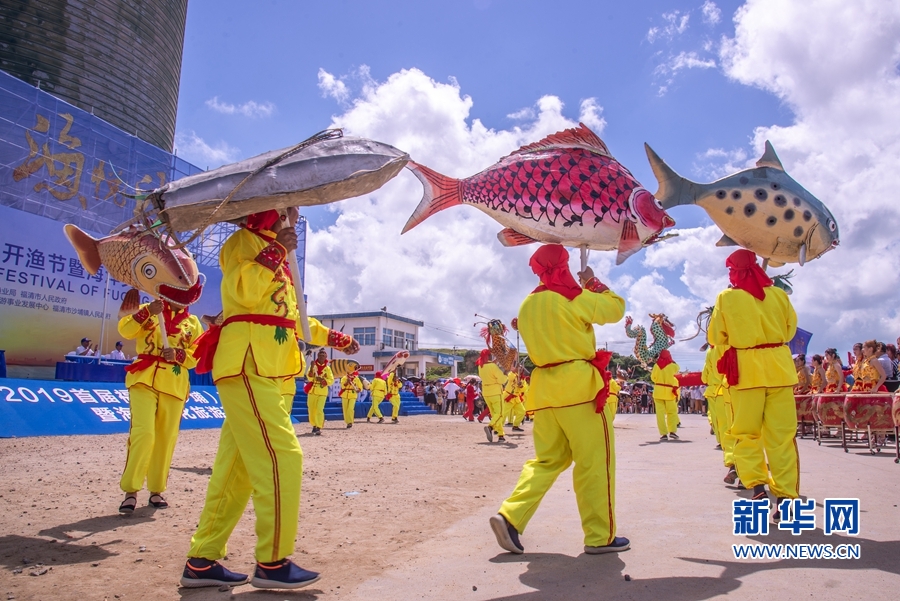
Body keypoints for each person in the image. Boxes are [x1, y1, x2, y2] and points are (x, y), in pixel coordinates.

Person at [182, 208, 358, 589]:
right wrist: (276, 251)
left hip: (272, 366)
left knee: (237, 469)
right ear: (267, 210)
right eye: (287, 208)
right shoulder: (241, 244)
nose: (294, 214)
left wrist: (335, 338)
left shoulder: (280, 251)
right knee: (283, 455)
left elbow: (289, 314)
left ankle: (202, 559)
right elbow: (244, 293)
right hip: (249, 361)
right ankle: (272, 562)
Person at [490, 244, 629, 556]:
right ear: (565, 264)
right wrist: (592, 282)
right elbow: (616, 309)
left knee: (548, 460)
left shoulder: (527, 305)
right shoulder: (574, 297)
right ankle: (599, 536)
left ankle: (510, 516)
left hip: (544, 391)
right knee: (595, 463)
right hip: (579, 389)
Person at [708, 249, 798, 512]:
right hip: (780, 370)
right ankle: (785, 496)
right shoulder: (779, 295)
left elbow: (716, 336)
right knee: (782, 436)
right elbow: (790, 329)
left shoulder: (726, 297)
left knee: (746, 434)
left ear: (733, 272)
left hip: (746, 374)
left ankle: (757, 486)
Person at [117, 296, 204, 513]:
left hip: (174, 384)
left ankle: (156, 490)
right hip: (144, 378)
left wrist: (178, 354)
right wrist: (146, 313)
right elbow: (126, 331)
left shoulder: (192, 323)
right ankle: (131, 491)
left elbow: (198, 356)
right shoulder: (150, 309)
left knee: (166, 438)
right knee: (143, 433)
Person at [477, 350, 507, 443]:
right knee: (500, 414)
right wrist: (505, 373)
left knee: (495, 415)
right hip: (496, 393)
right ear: (490, 356)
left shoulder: (480, 366)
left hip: (486, 393)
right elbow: (502, 380)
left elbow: (488, 370)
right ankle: (490, 427)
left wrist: (494, 363)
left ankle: (501, 435)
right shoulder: (493, 366)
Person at [651, 350, 680, 441]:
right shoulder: (673, 366)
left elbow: (653, 378)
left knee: (660, 415)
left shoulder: (656, 366)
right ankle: (672, 432)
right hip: (669, 392)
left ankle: (663, 434)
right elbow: (677, 370)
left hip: (658, 392)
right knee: (671, 413)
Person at [306, 349, 334, 435]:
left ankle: (318, 426)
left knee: (319, 409)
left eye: (323, 355)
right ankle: (314, 425)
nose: (321, 357)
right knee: (311, 409)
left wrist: (323, 380)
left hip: (322, 391)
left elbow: (331, 380)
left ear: (326, 357)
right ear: (317, 356)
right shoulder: (313, 365)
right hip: (313, 390)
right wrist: (311, 369)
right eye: (320, 355)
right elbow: (309, 377)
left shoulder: (327, 368)